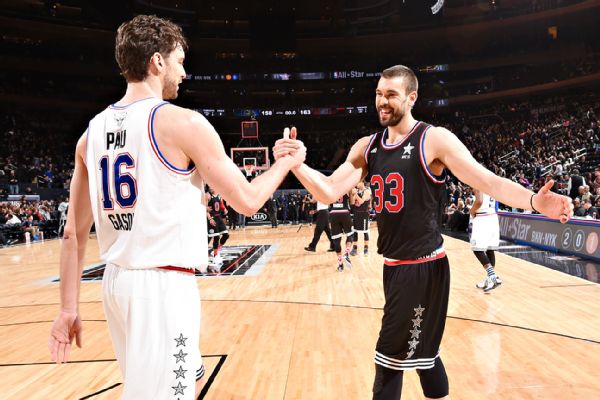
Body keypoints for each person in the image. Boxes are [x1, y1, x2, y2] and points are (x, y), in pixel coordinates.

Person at [274, 65, 572, 400]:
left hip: (424, 268)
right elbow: (328, 190)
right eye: (378, 94)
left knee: (388, 360)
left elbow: (485, 180)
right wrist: (296, 165)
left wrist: (533, 200)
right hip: (394, 267)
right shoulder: (367, 147)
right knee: (423, 358)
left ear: (412, 97)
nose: (382, 102)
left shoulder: (433, 139)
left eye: (391, 95)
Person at [47, 15, 305, 400]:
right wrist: (285, 163)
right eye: (180, 61)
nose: (184, 72)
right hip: (162, 287)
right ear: (157, 62)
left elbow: (73, 232)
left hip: (116, 283)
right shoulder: (181, 123)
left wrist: (68, 308)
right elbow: (248, 201)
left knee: (192, 377)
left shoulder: (91, 132)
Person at [469, 188, 502, 292]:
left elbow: (479, 201)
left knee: (477, 249)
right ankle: (489, 280)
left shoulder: (477, 180)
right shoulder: (489, 181)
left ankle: (493, 277)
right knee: (489, 249)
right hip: (493, 216)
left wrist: (471, 210)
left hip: (483, 217)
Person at [328, 193, 354, 271]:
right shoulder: (346, 187)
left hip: (333, 213)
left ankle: (340, 265)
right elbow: (352, 202)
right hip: (344, 212)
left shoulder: (331, 189)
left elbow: (329, 204)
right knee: (350, 235)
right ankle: (346, 253)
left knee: (337, 240)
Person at [206, 186, 229, 267]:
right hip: (212, 218)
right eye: (209, 187)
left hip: (219, 218)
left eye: (212, 186)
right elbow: (205, 209)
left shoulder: (219, 195)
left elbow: (221, 204)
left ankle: (216, 250)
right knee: (216, 237)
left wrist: (225, 209)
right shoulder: (207, 195)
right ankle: (215, 255)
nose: (210, 188)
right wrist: (210, 219)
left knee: (226, 235)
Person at [350, 181, 372, 256]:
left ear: (362, 182)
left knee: (365, 231)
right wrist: (352, 194)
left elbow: (361, 201)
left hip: (364, 214)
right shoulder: (357, 191)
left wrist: (355, 194)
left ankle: (366, 249)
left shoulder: (367, 191)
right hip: (356, 213)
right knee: (355, 231)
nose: (356, 184)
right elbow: (352, 203)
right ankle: (354, 248)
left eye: (357, 183)